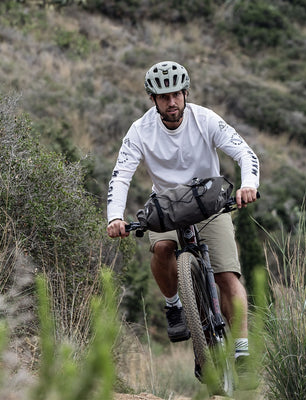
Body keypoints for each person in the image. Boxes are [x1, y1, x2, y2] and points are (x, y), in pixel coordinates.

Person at [106, 61, 259, 363]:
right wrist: (114, 217)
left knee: (227, 276)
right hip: (166, 206)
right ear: (153, 99)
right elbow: (120, 175)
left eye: (176, 94)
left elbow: (244, 152)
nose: (172, 102)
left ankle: (242, 348)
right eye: (164, 97)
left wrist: (248, 185)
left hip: (209, 205)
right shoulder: (140, 131)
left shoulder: (205, 119)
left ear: (186, 93)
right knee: (162, 247)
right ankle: (174, 303)